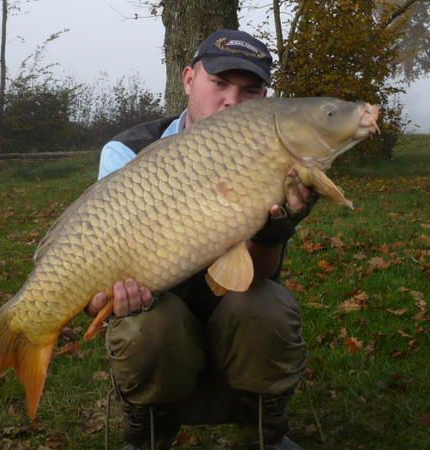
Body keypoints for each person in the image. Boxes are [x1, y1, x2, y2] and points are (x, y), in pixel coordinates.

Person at [86, 29, 316, 450]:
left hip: (234, 313)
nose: (232, 100)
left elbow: (261, 273)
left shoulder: (276, 159)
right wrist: (99, 294)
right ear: (189, 79)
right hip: (163, 312)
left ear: (264, 98)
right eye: (220, 83)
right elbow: (99, 263)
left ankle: (264, 432)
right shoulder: (128, 151)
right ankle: (150, 434)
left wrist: (274, 229)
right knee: (144, 324)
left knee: (267, 304)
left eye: (250, 90)